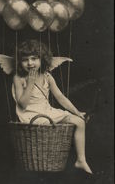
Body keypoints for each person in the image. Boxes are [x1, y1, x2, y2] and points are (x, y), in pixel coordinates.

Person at [12, 39, 92, 174]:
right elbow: (22, 104)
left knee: (79, 122)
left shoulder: (47, 76)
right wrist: (30, 83)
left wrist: (76, 111)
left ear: (42, 59)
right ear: (20, 62)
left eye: (34, 58)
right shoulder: (18, 78)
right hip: (30, 114)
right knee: (47, 126)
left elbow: (60, 97)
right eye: (25, 60)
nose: (30, 63)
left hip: (46, 111)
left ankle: (81, 160)